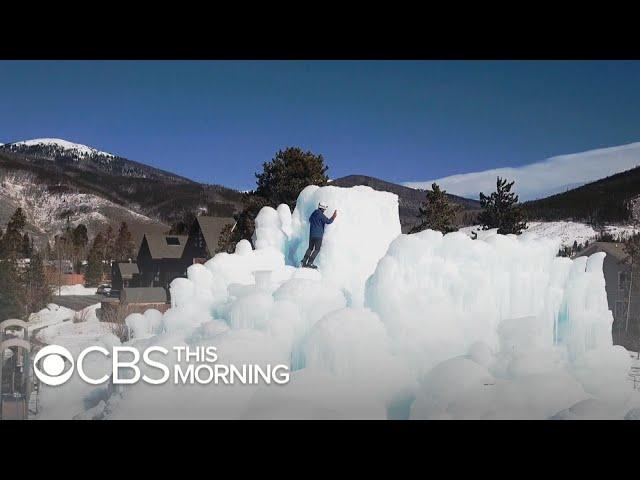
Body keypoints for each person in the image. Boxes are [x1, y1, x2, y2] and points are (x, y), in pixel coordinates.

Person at [301, 202, 337, 269]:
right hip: (318, 236)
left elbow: (310, 220)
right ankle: (310, 263)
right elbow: (328, 221)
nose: (325, 210)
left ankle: (304, 261)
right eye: (325, 209)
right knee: (317, 249)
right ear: (323, 208)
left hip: (311, 235)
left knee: (310, 248)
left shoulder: (314, 213)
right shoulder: (320, 215)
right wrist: (333, 216)